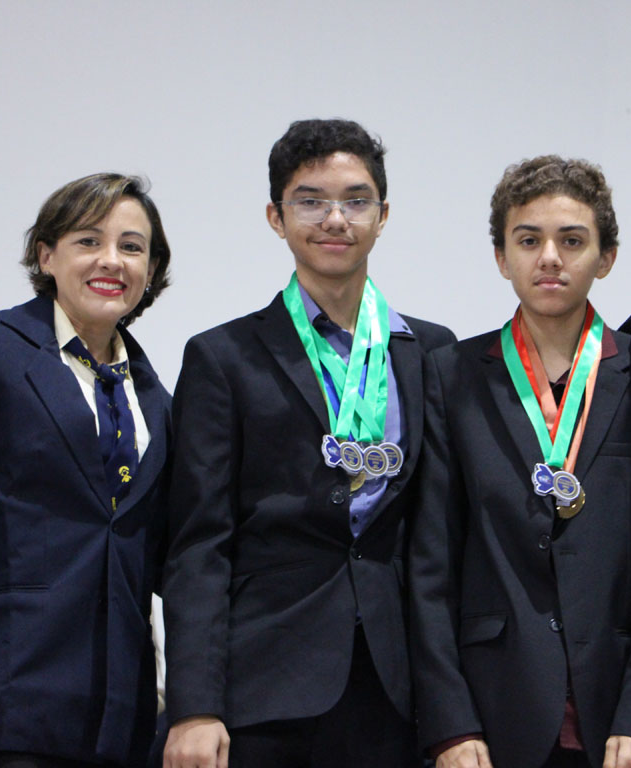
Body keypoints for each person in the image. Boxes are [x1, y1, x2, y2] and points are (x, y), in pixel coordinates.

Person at [159, 118, 456, 768]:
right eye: (310, 200)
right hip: (262, 685)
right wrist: (194, 703)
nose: (335, 219)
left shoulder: (433, 353)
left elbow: (446, 539)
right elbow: (197, 545)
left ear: (383, 215)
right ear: (276, 215)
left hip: (396, 688)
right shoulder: (223, 357)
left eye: (355, 200)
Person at [408, 156, 631, 768]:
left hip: (616, 720)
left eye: (572, 240)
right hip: (490, 713)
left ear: (606, 258)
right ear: (502, 257)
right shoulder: (449, 375)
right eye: (528, 240)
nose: (549, 257)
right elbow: (430, 566)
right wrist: (450, 724)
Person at [0, 173, 175, 768]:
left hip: (123, 715)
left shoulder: (156, 396)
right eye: (88, 241)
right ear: (46, 255)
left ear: (151, 270)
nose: (111, 260)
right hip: (3, 702)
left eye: (132, 246)